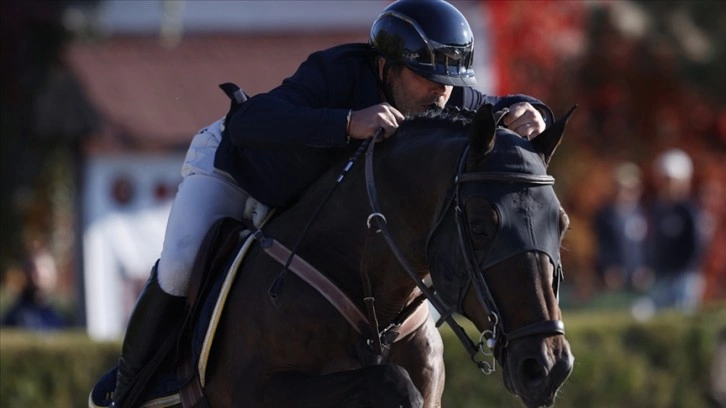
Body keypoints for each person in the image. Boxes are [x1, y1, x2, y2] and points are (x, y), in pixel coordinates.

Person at [100, 1, 556, 406]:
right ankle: (131, 386)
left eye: (452, 82)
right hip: (243, 168)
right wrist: (347, 123)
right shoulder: (337, 72)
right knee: (180, 264)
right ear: (386, 67)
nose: (442, 93)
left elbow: (497, 106)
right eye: (430, 79)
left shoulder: (444, 95)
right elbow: (253, 121)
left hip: (313, 202)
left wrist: (533, 109)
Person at [645, 148, 707, 313]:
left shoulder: (689, 210)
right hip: (663, 276)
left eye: (670, 180)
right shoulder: (658, 209)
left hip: (684, 277)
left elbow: (696, 245)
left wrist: (683, 270)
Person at [593, 161, 650, 292]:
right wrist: (608, 267)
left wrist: (644, 267)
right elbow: (602, 245)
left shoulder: (642, 212)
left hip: (639, 276)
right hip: (614, 276)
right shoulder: (605, 215)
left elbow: (647, 244)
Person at [1, 246, 66, 331]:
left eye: (44, 268)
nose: (38, 274)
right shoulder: (15, 316)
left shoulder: (63, 314)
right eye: (33, 269)